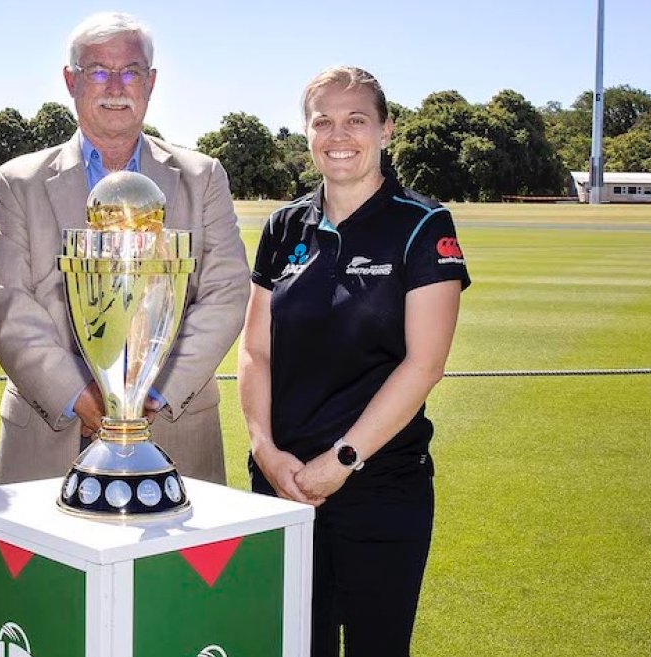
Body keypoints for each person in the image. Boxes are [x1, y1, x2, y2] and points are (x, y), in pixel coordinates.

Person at [239, 66, 471, 657]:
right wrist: (265, 449)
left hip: (379, 484)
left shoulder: (423, 223)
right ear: (308, 132)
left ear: (386, 130)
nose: (339, 134)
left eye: (356, 120)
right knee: (291, 645)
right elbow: (256, 350)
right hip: (282, 481)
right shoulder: (283, 225)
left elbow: (424, 365)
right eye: (324, 121)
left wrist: (341, 460)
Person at [0, 12, 249, 486]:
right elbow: (5, 302)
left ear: (151, 82)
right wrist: (82, 397)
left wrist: (148, 395)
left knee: (172, 565)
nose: (115, 85)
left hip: (174, 435)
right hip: (48, 439)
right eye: (97, 70)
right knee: (46, 565)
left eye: (131, 71)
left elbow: (225, 294)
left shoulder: (203, 177)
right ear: (70, 81)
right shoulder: (16, 183)